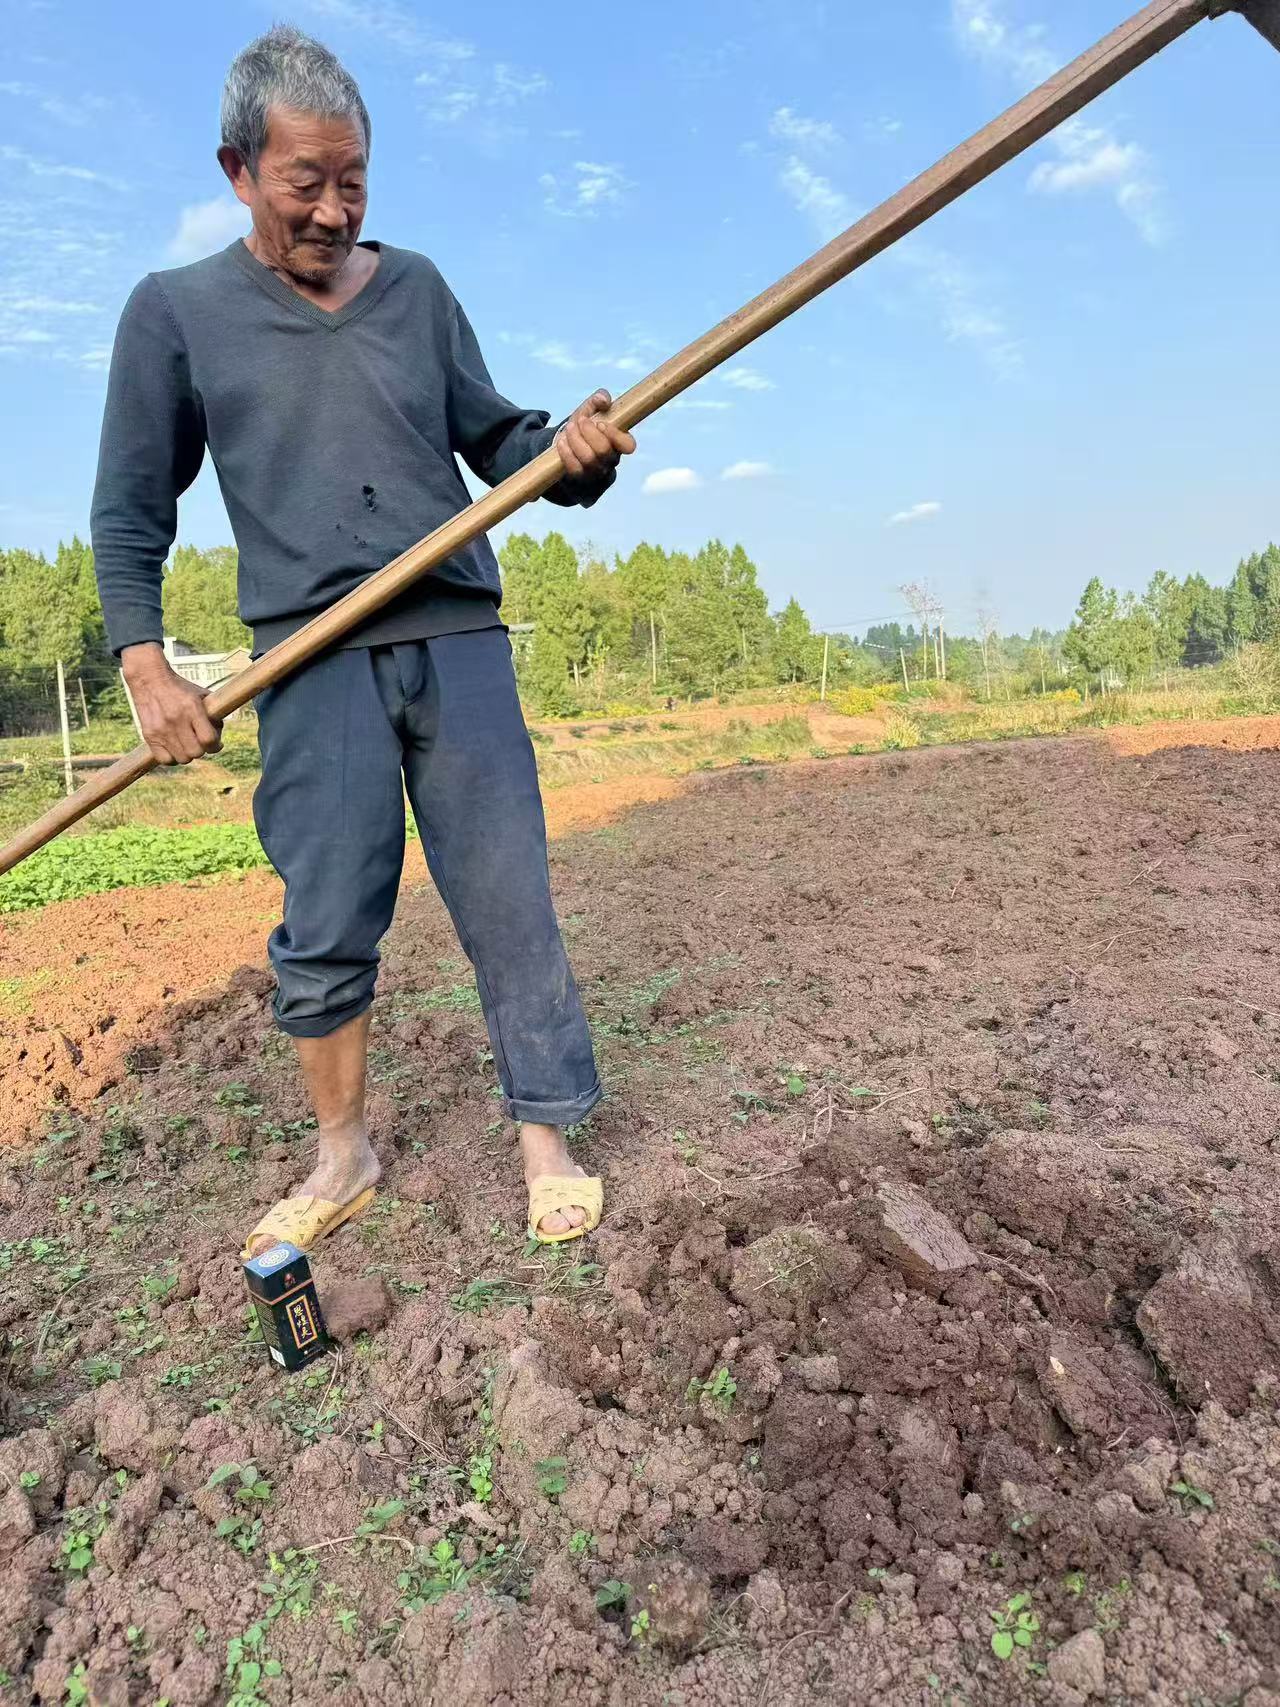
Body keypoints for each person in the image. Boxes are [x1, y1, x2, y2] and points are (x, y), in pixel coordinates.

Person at [90, 26, 636, 1256]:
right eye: (305, 184)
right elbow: (130, 508)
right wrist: (145, 664)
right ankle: (343, 1153)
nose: (334, 211)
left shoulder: (419, 291)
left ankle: (546, 1131)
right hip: (309, 660)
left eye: (354, 182)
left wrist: (568, 453)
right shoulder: (175, 315)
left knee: (508, 895)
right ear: (238, 170)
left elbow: (497, 439)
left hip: (453, 634)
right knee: (325, 917)